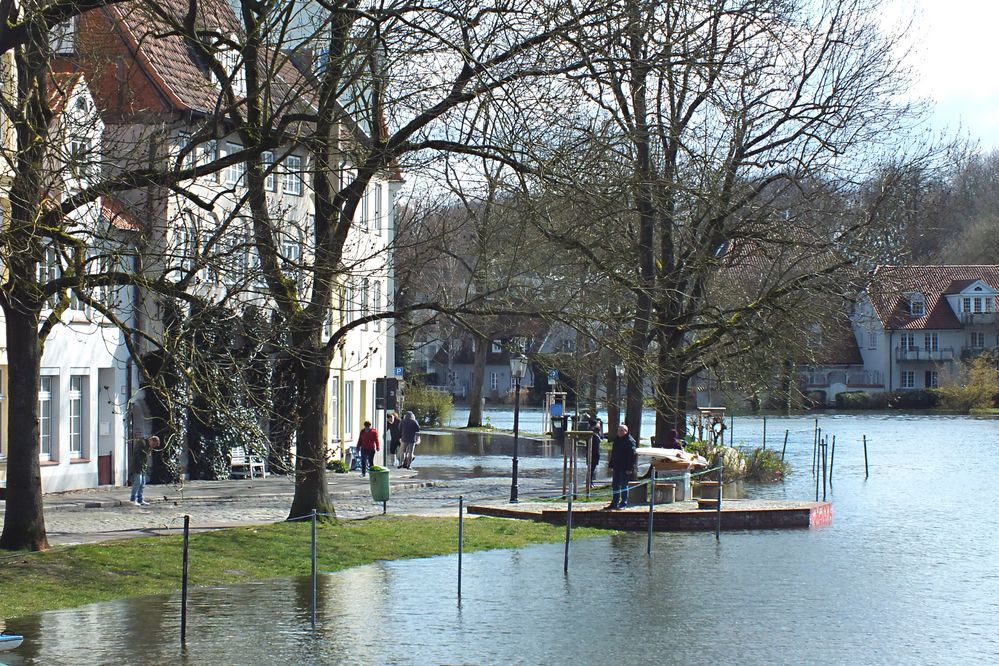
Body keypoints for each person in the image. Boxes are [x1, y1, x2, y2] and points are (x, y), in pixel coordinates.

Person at [606, 424, 636, 510]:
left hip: (625, 467)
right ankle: (614, 502)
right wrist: (611, 464)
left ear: (626, 431)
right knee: (615, 485)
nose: (619, 432)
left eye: (621, 431)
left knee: (624, 485)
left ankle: (623, 503)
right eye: (618, 430)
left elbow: (632, 456)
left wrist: (629, 468)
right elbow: (614, 453)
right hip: (617, 466)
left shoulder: (630, 441)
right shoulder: (617, 440)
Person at [129, 435, 159, 506]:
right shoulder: (142, 443)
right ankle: (133, 499)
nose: (153, 446)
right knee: (137, 482)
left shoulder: (148, 446)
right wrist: (141, 460)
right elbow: (137, 454)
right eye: (153, 444)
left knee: (142, 483)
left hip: (143, 466)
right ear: (151, 440)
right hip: (137, 466)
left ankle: (140, 499)